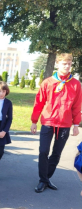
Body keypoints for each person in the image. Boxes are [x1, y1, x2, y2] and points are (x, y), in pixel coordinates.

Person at [31, 53, 82, 193]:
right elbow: (39, 102)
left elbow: (77, 106)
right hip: (48, 121)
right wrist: (34, 121)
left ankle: (46, 179)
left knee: (56, 153)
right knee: (43, 151)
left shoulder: (76, 84)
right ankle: (43, 179)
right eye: (64, 63)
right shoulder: (48, 82)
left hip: (65, 124)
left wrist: (76, 124)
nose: (67, 66)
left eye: (69, 63)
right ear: (58, 64)